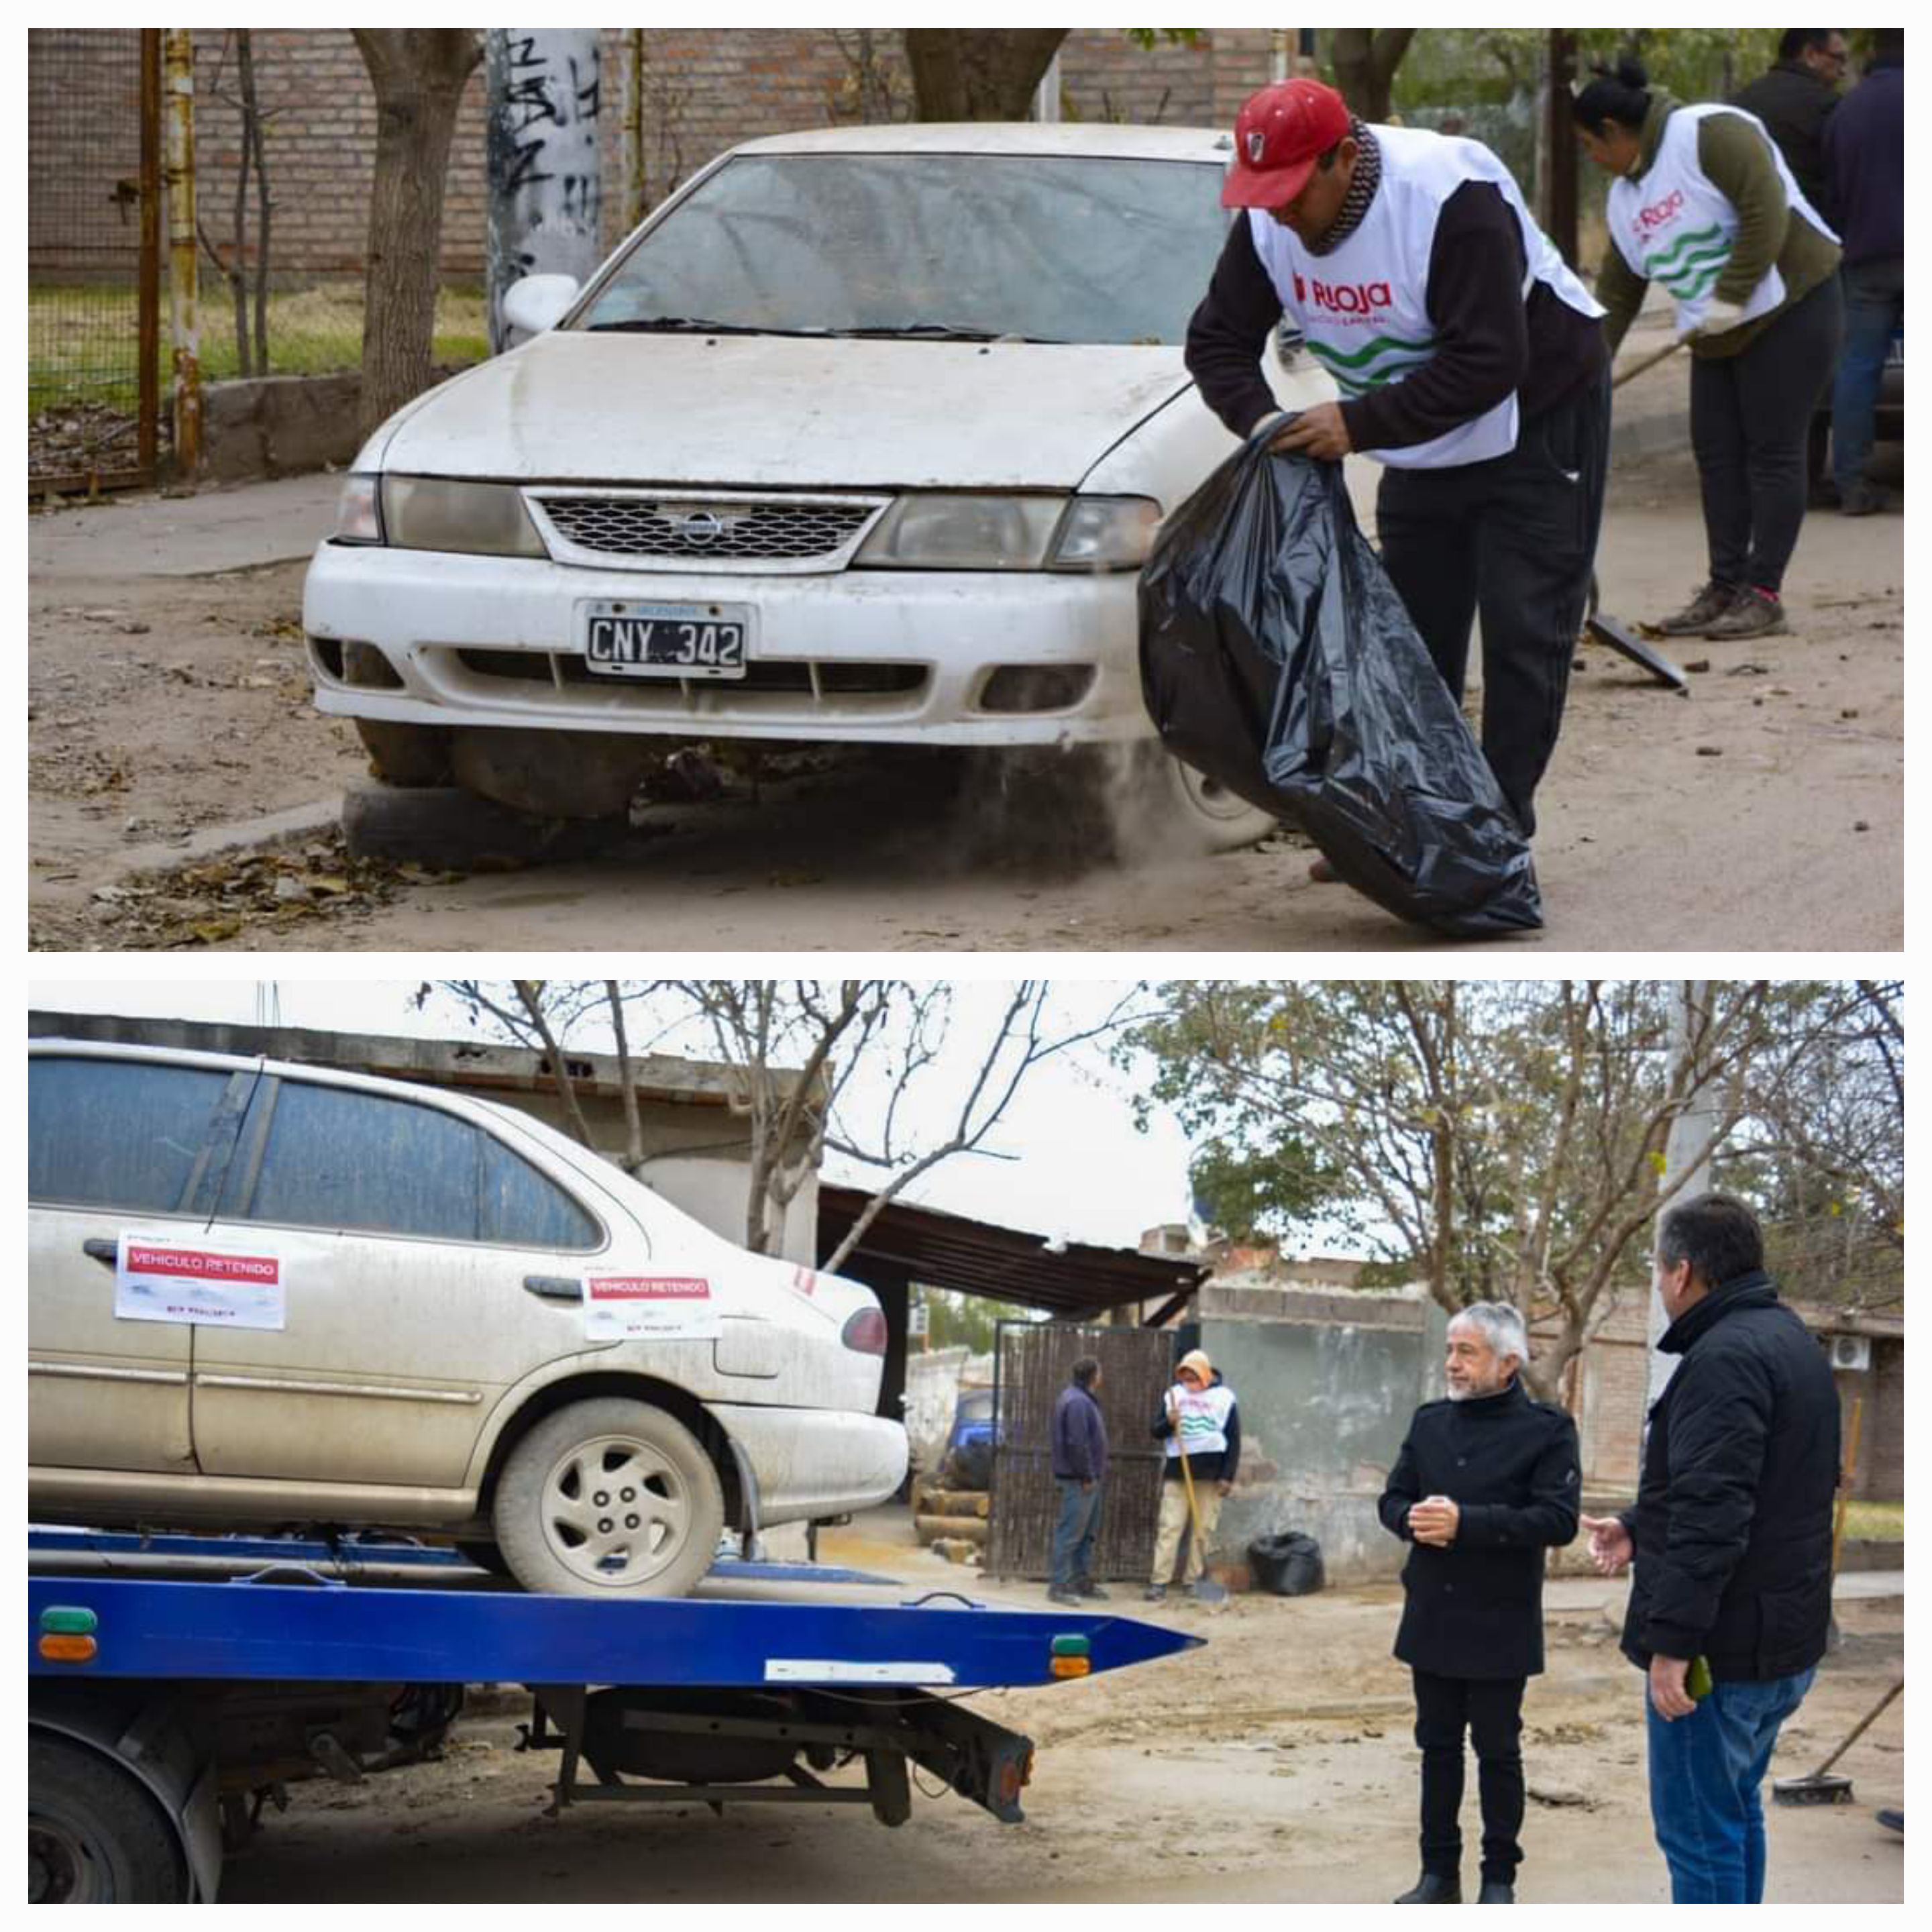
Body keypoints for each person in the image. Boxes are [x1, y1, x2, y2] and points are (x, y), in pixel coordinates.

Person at [1186, 78, 1611, 863]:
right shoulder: (1266, 222)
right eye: (1261, 193)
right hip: (1419, 431)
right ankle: (1408, 818)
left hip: (1539, 411)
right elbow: (1215, 343)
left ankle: (1492, 832)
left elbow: (1491, 359)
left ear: (1343, 158)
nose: (1275, 209)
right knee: (1411, 633)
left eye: (1289, 191)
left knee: (1524, 626)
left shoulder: (1451, 197)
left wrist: (1356, 422)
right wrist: (1264, 424)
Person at [1579, 1193, 1840, 1904]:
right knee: (1734, 1814)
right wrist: (1637, 1525)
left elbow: (1713, 1516)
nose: (1659, 1287)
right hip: (1781, 1641)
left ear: (1683, 1271)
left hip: (1719, 1654)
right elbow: (1747, 1487)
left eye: (1658, 1271)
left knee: (1698, 1834)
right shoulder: (1791, 1344)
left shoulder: (1723, 1359)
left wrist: (1673, 1645)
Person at [1577, 58, 1843, 641]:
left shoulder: (1710, 133)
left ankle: (1764, 593)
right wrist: (1589, 367)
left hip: (1792, 303)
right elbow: (1620, 290)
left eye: (1591, 145)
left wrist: (1732, 292)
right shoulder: (1627, 196)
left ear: (1614, 130)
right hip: (1717, 326)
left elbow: (1763, 210)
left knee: (1773, 453)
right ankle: (1724, 584)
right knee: (1717, 453)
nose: (1592, 160)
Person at [1377, 1303, 1581, 1905]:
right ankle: (1438, 1875)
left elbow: (1558, 1519)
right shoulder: (1430, 1422)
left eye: (1467, 1352)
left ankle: (1499, 1880)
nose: (1452, 1364)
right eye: (1450, 1350)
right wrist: (1409, 1521)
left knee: (1497, 1751)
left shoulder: (1548, 1430)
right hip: (1432, 1614)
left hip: (1500, 1619)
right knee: (1436, 1749)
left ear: (1508, 1362)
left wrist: (1468, 1523)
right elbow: (1393, 1498)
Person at [1823, 30, 1902, 515]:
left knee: (1858, 367)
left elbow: (1832, 192)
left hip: (1866, 257)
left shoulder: (1845, 111)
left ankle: (1852, 484)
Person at [1144, 1348, 1239, 1600]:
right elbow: (1155, 1431)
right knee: (1170, 1527)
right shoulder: (1173, 1396)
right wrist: (1168, 1422)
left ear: (1205, 1375)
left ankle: (1193, 1581)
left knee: (1203, 1529)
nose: (1189, 1383)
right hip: (1178, 1472)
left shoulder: (1224, 1398)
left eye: (1194, 1377)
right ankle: (1159, 1582)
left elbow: (1233, 1440)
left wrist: (1227, 1476)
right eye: (1185, 1377)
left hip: (1210, 1474)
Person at [1731, 30, 1848, 215]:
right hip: (1808, 225)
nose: (1843, 71)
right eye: (1839, 58)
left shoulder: (1740, 101)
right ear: (1810, 54)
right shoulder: (1828, 107)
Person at [1048, 1355, 1109, 1605]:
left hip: (1086, 1478)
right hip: (1079, 1480)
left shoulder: (1080, 1399)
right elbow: (1077, 1442)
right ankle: (1059, 1586)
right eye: (1100, 1372)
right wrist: (1086, 1475)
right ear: (1094, 1376)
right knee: (1071, 1533)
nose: (1102, 1377)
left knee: (1086, 1534)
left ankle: (1080, 1581)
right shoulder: (1077, 1402)